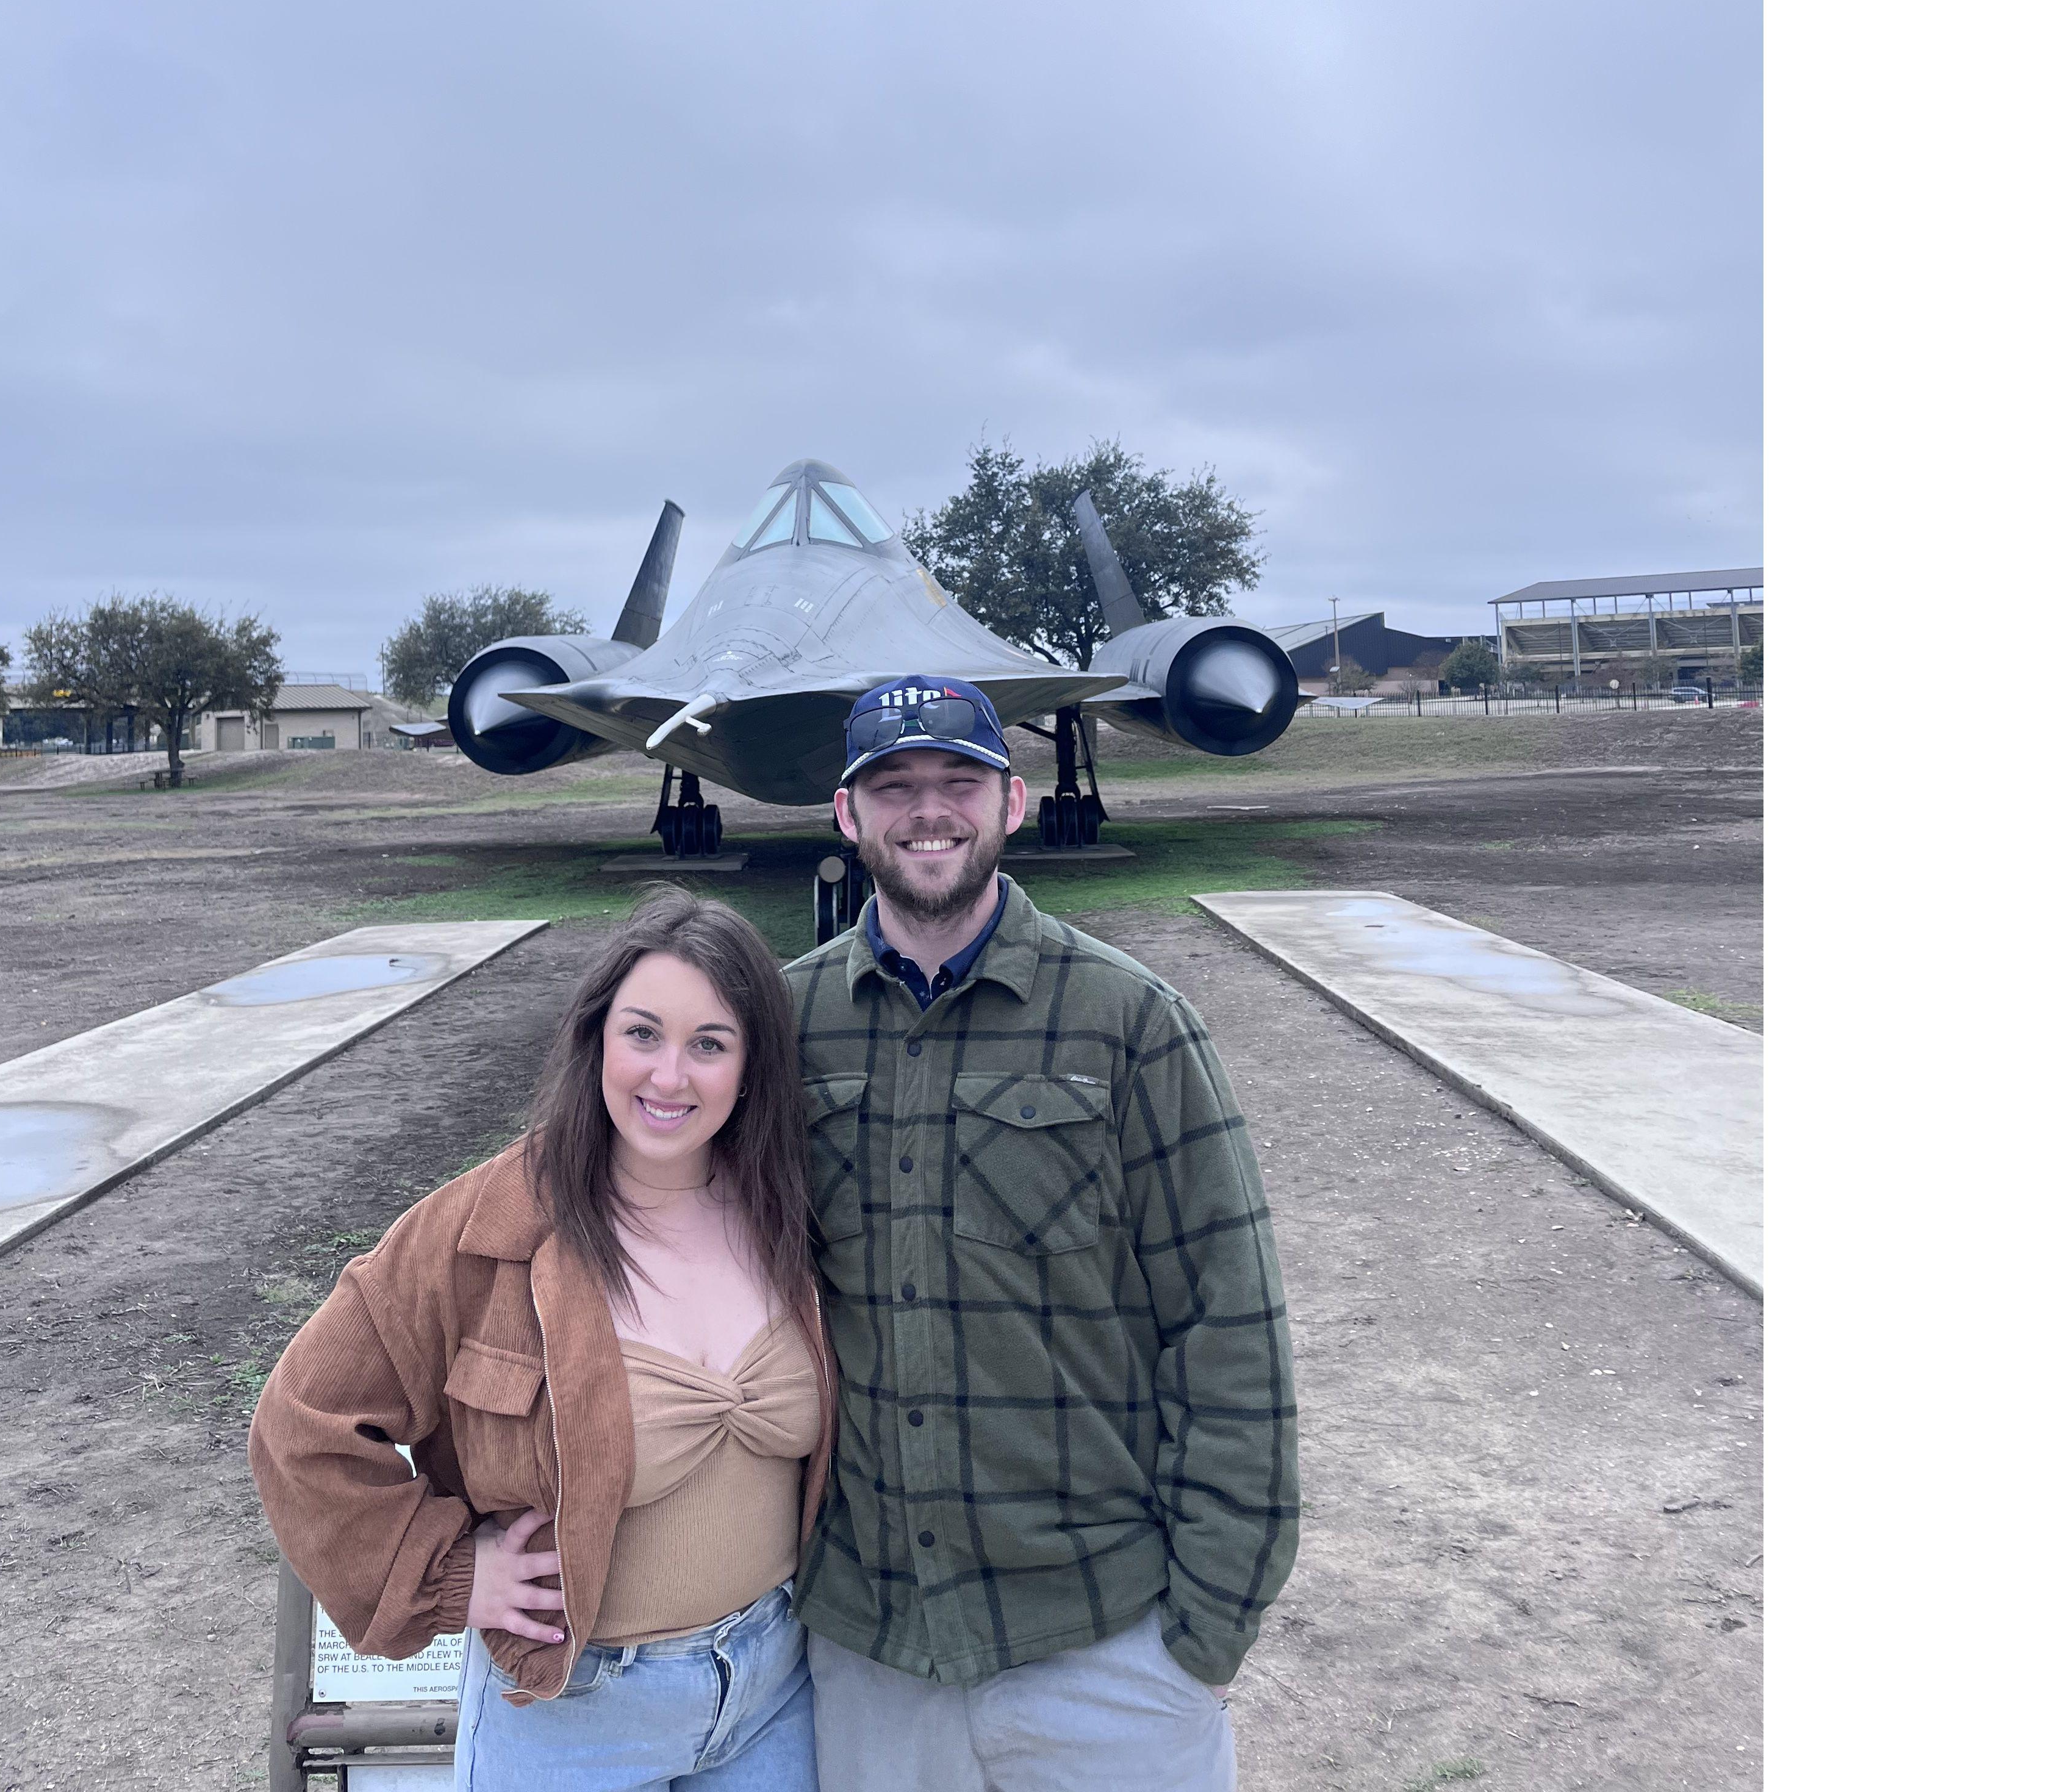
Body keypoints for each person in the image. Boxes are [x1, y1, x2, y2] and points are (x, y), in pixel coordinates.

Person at [787, 676, 1299, 1792]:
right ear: (847, 815)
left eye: (959, 782)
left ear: (1012, 804)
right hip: (873, 1654)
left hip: (1102, 1645)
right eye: (894, 786)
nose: (930, 810)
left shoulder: (1132, 1022)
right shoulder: (785, 1026)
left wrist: (1206, 1636)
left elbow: (1229, 1325)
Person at [249, 889, 831, 1792]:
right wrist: (453, 1573)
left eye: (709, 1044)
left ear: (752, 1065)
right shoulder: (484, 1229)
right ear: (597, 1037)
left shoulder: (786, 1209)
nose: (668, 1076)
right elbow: (301, 1422)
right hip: (576, 1716)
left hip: (771, 1691)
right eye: (642, 1034)